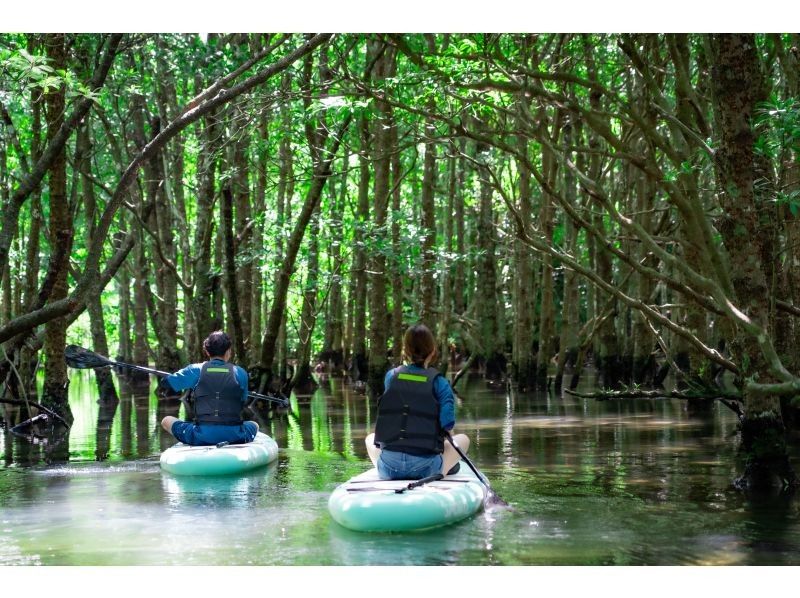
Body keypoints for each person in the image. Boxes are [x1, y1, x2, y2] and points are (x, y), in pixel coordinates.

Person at [365, 323, 470, 480]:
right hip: (426, 469)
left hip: (389, 467)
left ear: (405, 351)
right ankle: (446, 467)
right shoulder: (440, 383)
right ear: (433, 351)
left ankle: (389, 469)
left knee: (369, 438)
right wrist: (446, 449)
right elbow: (447, 425)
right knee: (464, 439)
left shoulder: (391, 377)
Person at [159, 331, 259, 446]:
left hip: (200, 436)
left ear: (207, 351)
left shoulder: (195, 370)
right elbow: (243, 399)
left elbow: (165, 384)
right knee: (254, 424)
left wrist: (168, 378)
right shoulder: (240, 373)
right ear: (229, 351)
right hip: (235, 436)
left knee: (166, 420)